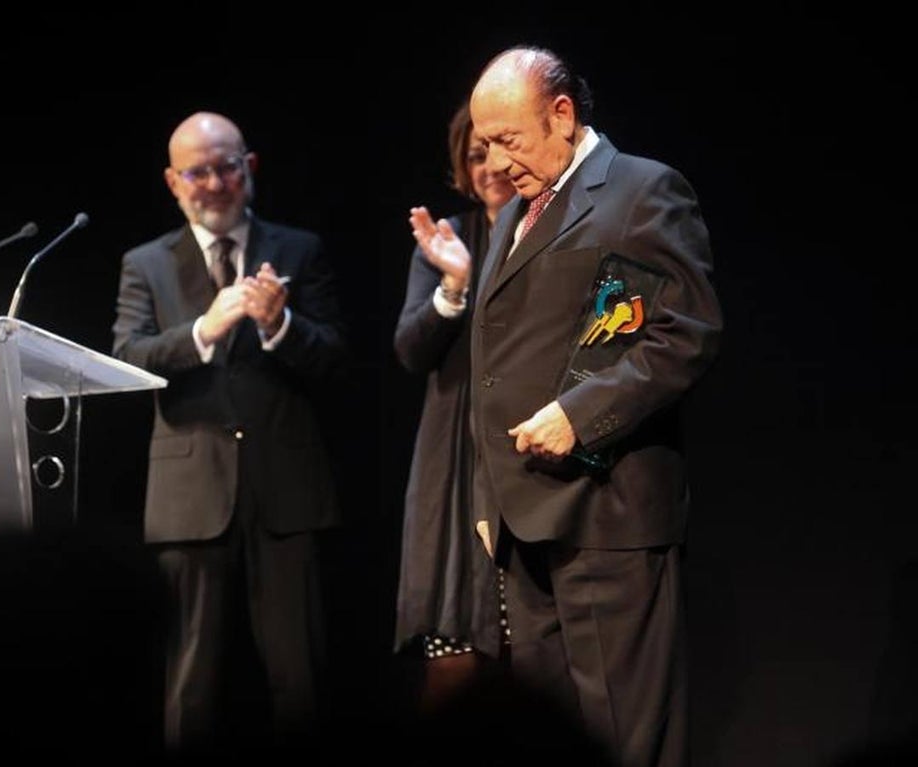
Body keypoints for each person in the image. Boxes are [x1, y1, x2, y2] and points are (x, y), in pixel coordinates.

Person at [408, 46, 723, 767]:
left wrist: (581, 413)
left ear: (562, 114)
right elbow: (497, 364)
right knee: (549, 740)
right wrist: (490, 502)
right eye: (485, 145)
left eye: (509, 141)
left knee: (622, 734)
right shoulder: (517, 211)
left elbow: (687, 332)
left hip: (606, 514)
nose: (496, 162)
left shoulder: (642, 189)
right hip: (525, 525)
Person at [111, 111, 346, 756]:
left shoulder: (298, 249)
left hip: (286, 488)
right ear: (172, 180)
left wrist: (280, 325)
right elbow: (127, 358)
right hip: (191, 495)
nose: (215, 183)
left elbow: (332, 357)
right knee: (190, 680)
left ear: (250, 166)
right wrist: (203, 331)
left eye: (227, 167)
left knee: (301, 675)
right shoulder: (145, 264)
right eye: (198, 172)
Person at [392, 99, 515, 714]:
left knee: (541, 656)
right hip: (455, 462)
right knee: (454, 656)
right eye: (474, 154)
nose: (489, 164)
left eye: (497, 147)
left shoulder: (553, 228)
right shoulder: (445, 240)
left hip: (527, 450)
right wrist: (454, 285)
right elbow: (411, 351)